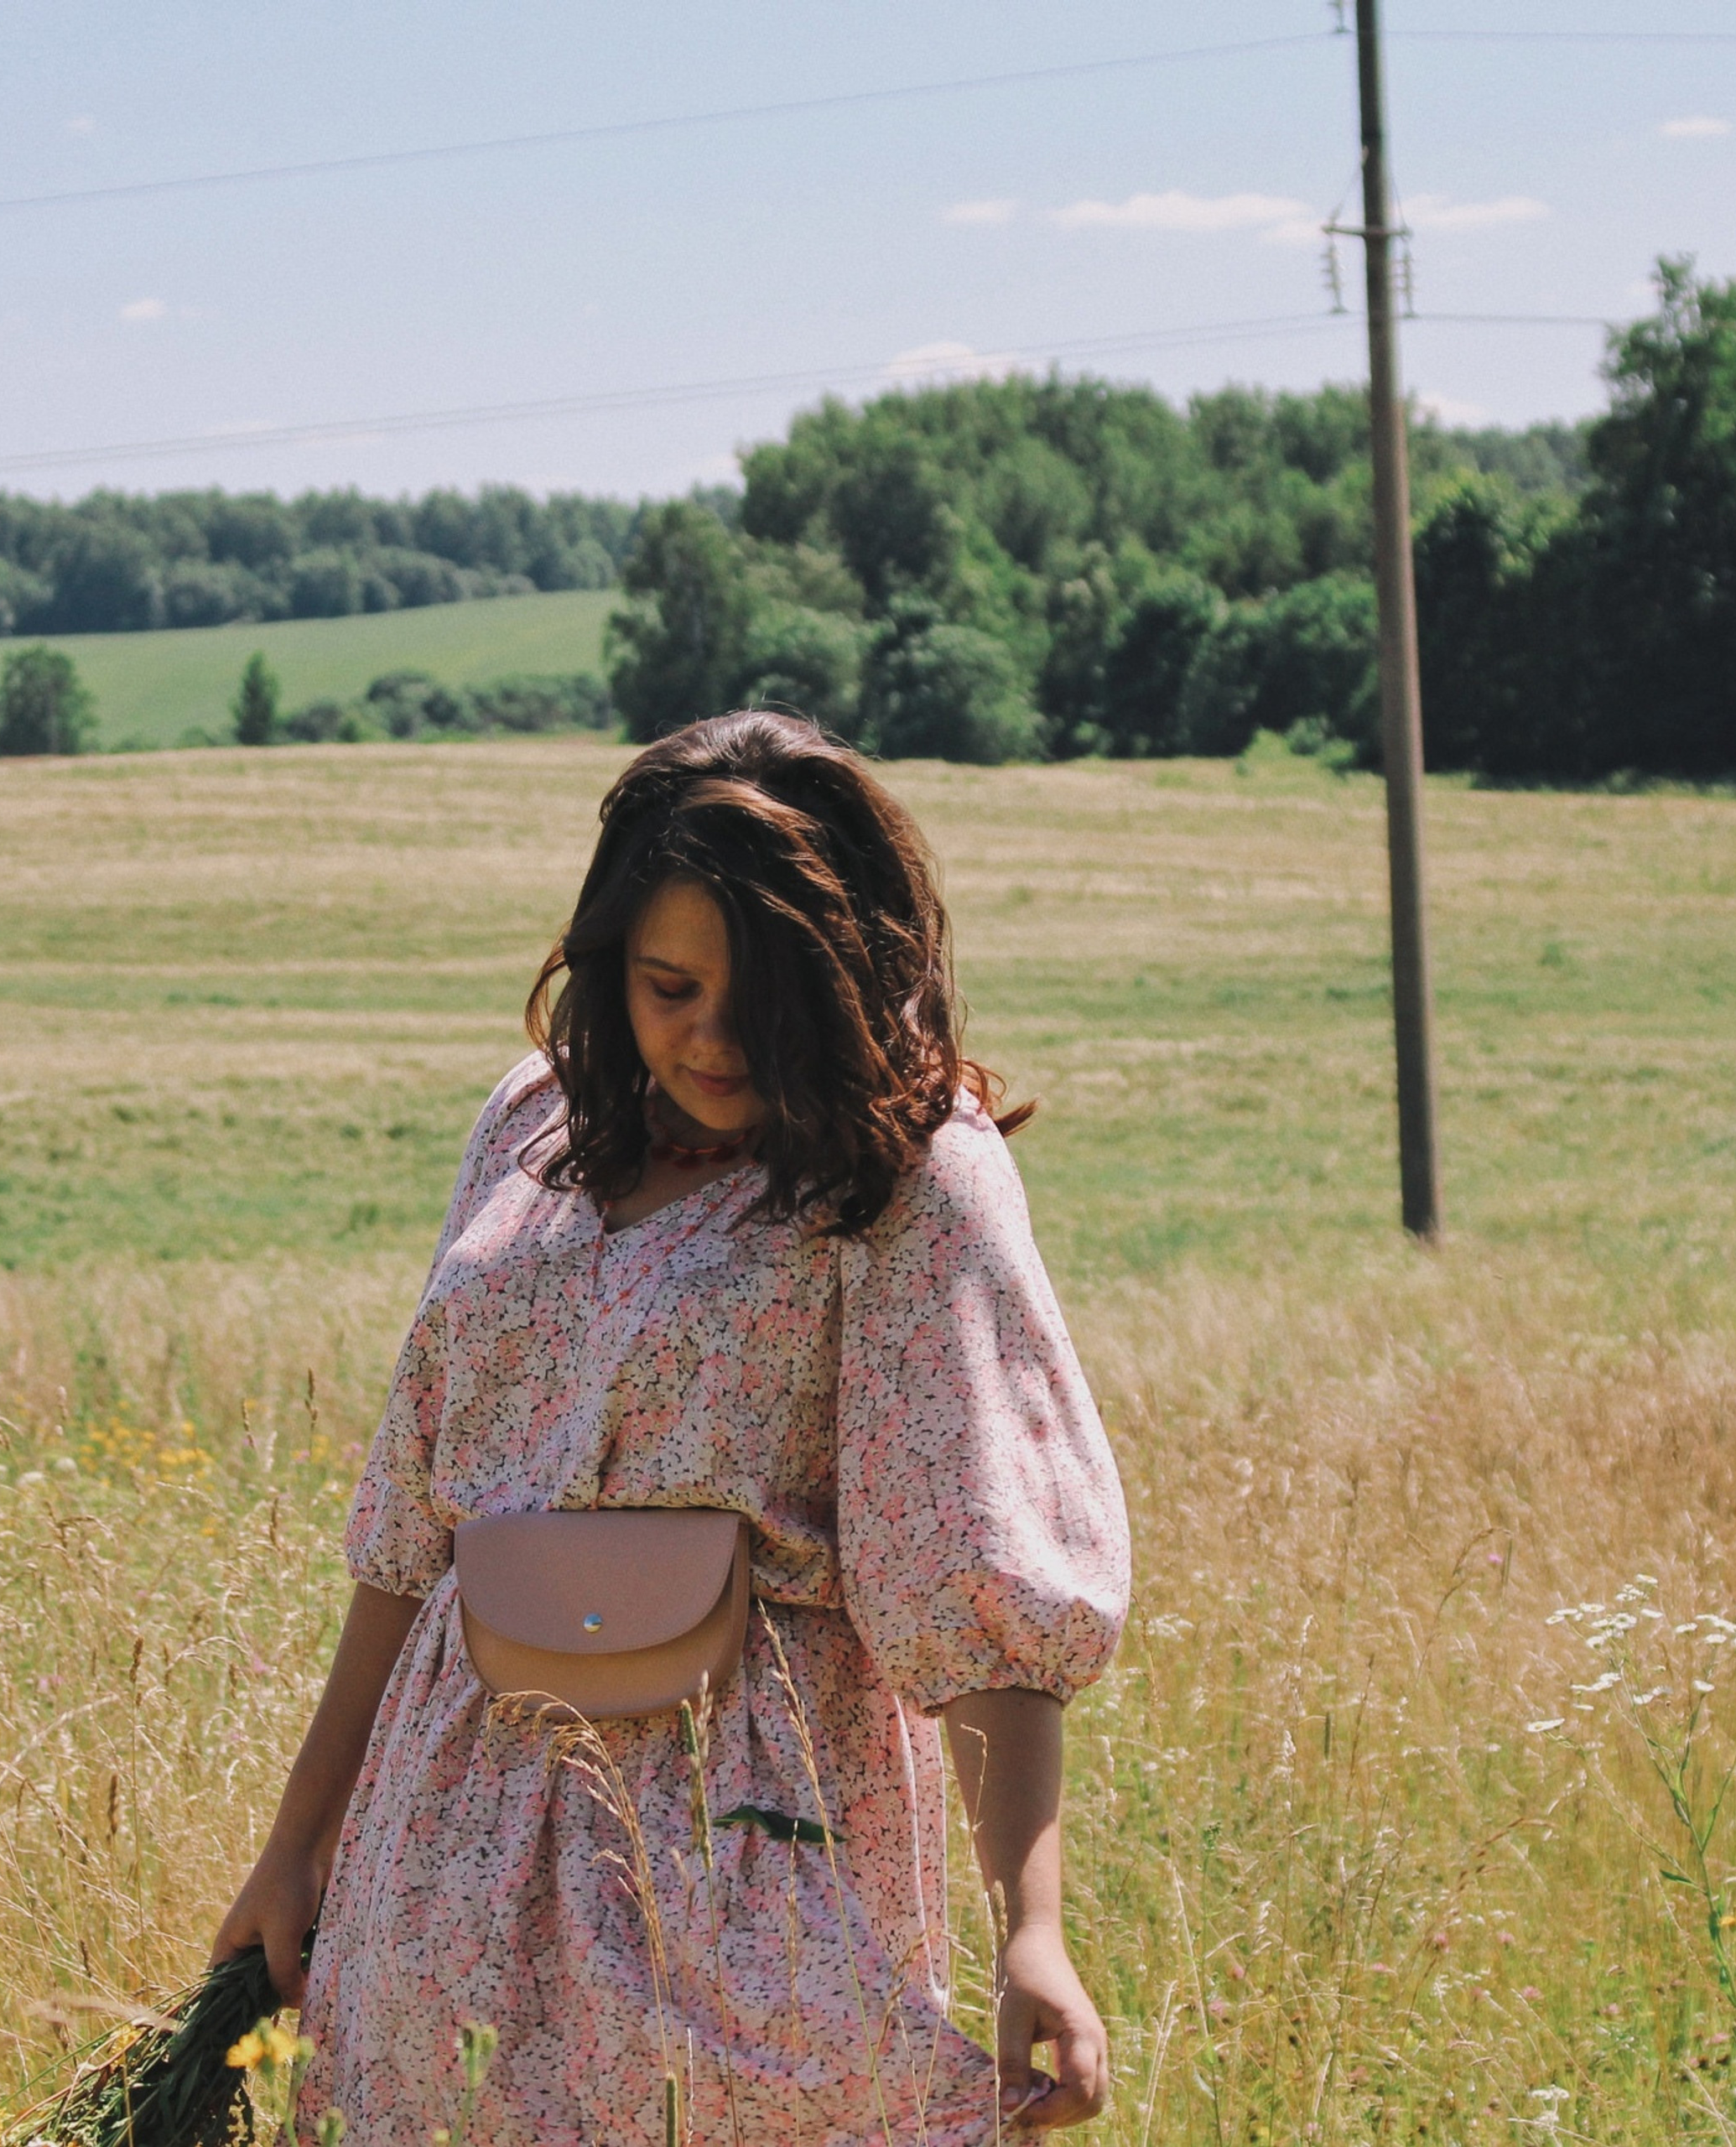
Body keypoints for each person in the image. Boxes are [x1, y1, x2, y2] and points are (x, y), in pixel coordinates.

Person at [214, 710, 1131, 2143]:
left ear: (852, 977)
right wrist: (297, 1844)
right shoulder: (532, 1127)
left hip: (738, 1853)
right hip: (446, 1835)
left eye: (759, 999)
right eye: (668, 986)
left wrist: (1036, 1931)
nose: (710, 1038)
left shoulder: (912, 1182)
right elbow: (411, 1536)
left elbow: (975, 1583)